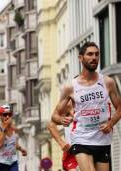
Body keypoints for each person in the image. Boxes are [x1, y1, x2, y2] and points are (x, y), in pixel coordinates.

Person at [51, 41, 121, 171]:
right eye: (89, 54)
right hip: (81, 138)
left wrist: (111, 123)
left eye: (96, 54)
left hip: (102, 140)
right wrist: (61, 120)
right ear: (80, 58)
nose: (94, 57)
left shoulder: (108, 82)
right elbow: (54, 116)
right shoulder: (70, 87)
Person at [0, 105, 27, 171]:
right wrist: (5, 129)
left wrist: (21, 149)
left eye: (9, 114)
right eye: (5, 114)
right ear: (0, 116)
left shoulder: (13, 128)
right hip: (1, 163)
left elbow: (12, 143)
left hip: (13, 162)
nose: (7, 116)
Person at [47, 101, 78, 171]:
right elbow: (50, 124)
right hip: (72, 152)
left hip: (91, 147)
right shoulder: (69, 106)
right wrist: (61, 142)